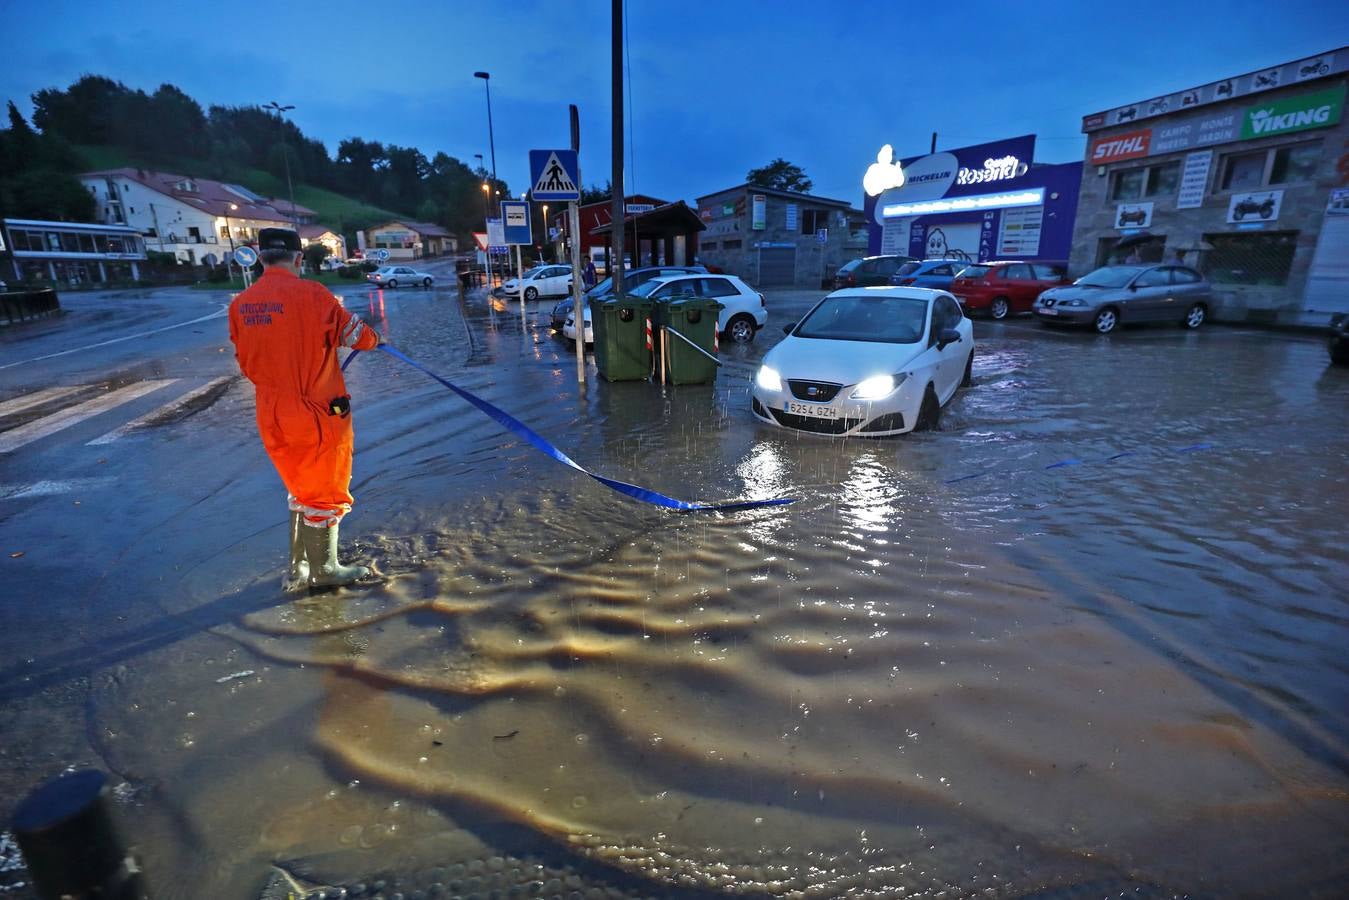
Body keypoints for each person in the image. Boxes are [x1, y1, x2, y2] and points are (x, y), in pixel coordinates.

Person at [228, 228, 381, 591]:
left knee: (299, 488)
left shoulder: (241, 304)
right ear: (299, 259)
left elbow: (244, 360)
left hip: (271, 413)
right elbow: (359, 336)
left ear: (261, 257)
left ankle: (297, 567)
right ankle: (325, 570)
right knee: (324, 491)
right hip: (316, 414)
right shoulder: (313, 295)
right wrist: (375, 338)